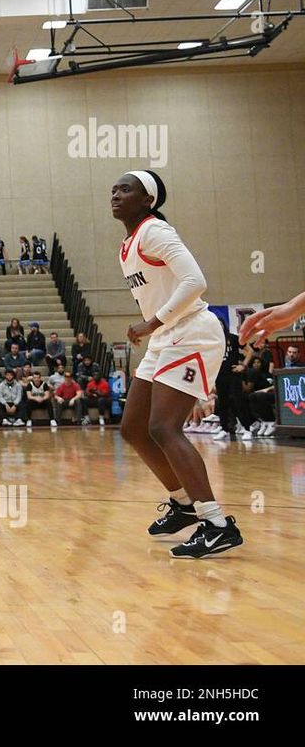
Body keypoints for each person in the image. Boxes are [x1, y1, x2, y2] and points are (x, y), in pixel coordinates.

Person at [113, 169, 241, 557]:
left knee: (164, 427)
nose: (116, 194)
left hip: (191, 330)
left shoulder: (155, 231)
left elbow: (194, 282)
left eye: (125, 189)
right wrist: (154, 327)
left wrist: (151, 322)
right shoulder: (129, 243)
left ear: (148, 200)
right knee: (134, 428)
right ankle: (183, 502)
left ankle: (216, 523)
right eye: (114, 189)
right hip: (166, 337)